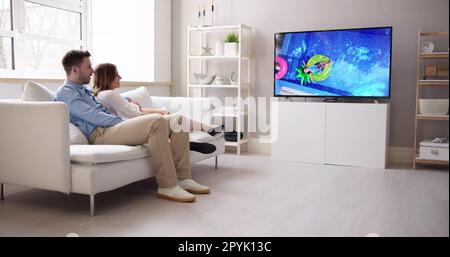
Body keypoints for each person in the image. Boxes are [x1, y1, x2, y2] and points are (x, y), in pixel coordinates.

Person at [55, 50, 210, 203]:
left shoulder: (84, 90)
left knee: (178, 120)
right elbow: (94, 116)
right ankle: (167, 186)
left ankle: (184, 178)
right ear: (75, 69)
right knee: (156, 122)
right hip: (100, 134)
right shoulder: (66, 92)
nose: (92, 70)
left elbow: (105, 100)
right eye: (88, 66)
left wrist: (126, 101)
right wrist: (124, 122)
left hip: (111, 127)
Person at [91, 63, 223, 136]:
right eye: (116, 75)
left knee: (172, 117)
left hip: (132, 121)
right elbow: (134, 114)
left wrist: (159, 111)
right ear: (107, 78)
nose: (120, 77)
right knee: (176, 119)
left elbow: (137, 109)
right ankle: (206, 129)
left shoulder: (104, 95)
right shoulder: (109, 95)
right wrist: (158, 113)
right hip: (131, 124)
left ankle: (205, 130)